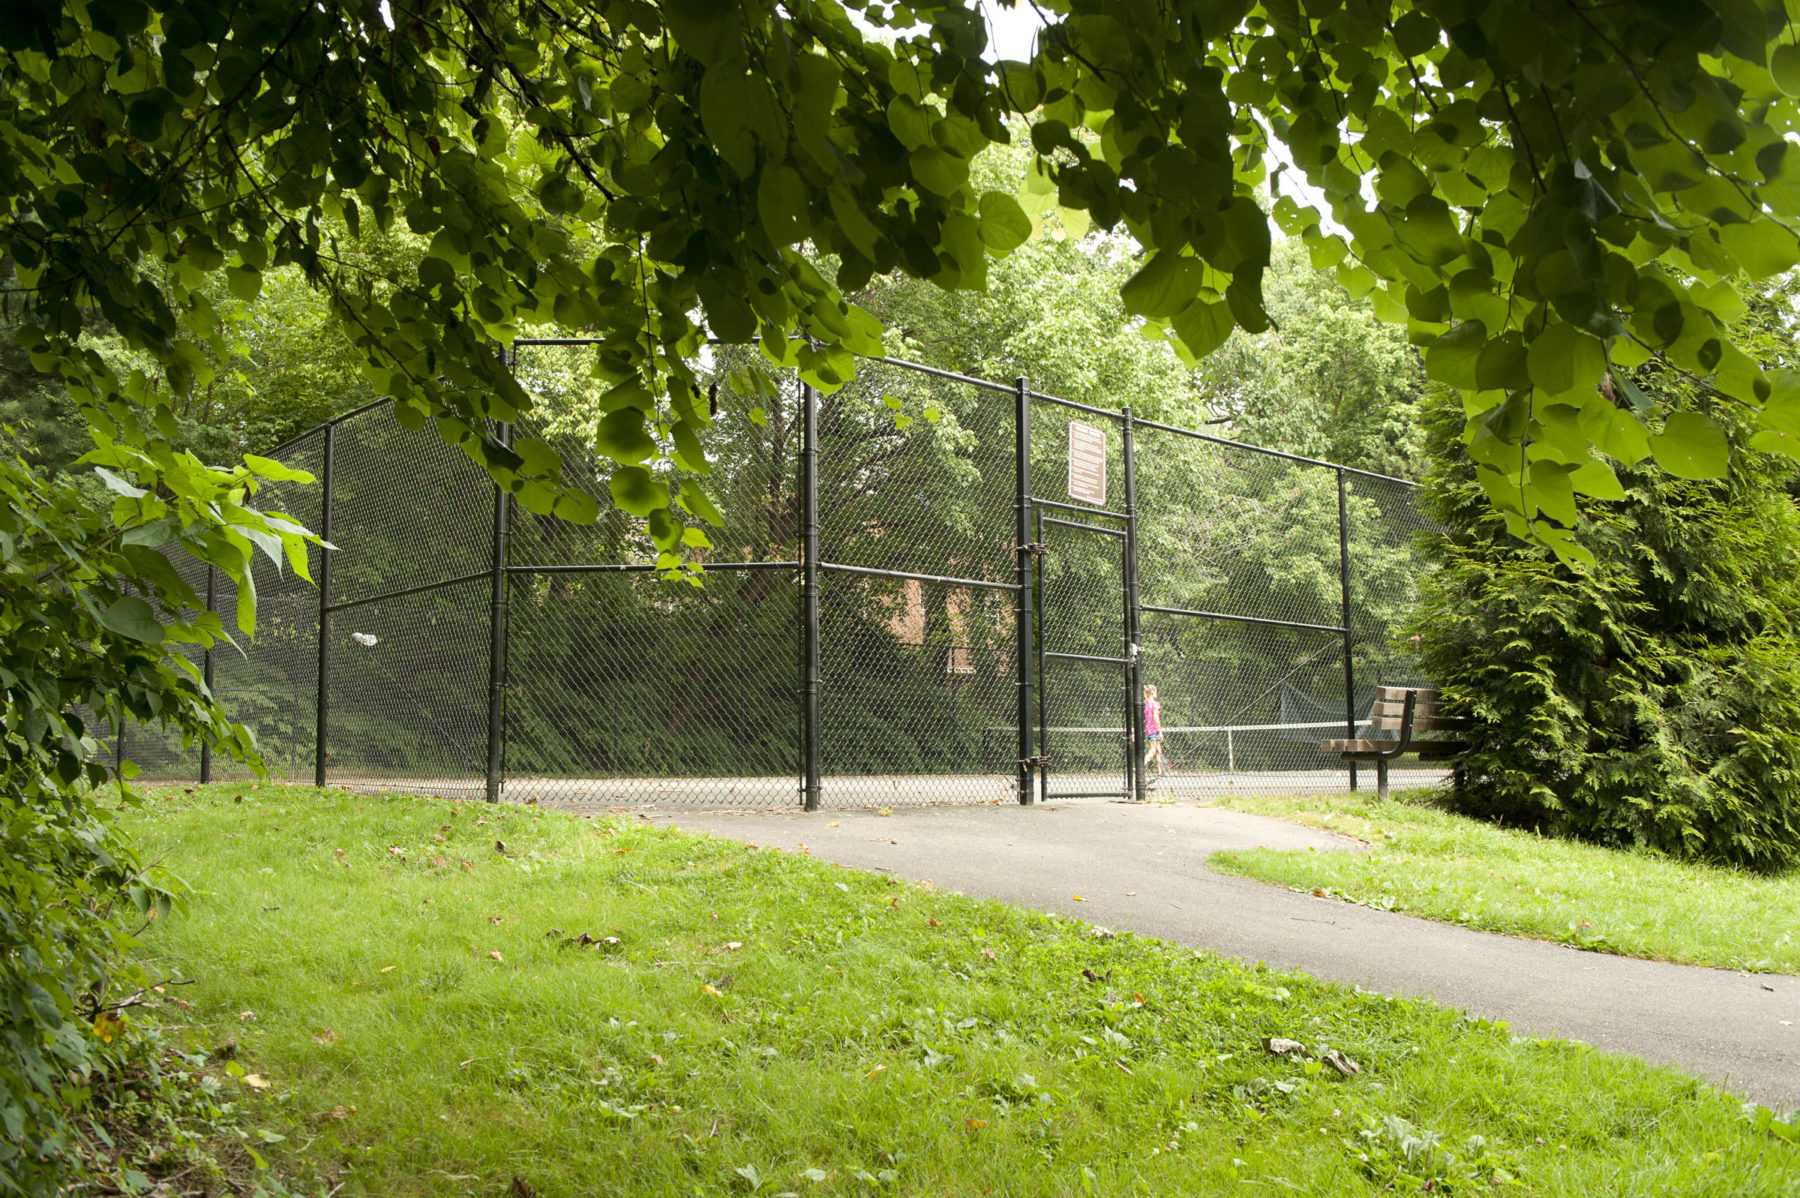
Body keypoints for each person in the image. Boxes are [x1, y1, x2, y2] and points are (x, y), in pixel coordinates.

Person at [1143, 684, 1169, 785]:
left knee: (1159, 751)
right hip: (1154, 730)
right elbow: (1156, 718)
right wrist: (1160, 731)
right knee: (1153, 750)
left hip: (1149, 729)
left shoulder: (1146, 704)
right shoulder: (1154, 704)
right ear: (1153, 693)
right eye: (1156, 692)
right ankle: (1141, 765)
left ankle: (1160, 772)